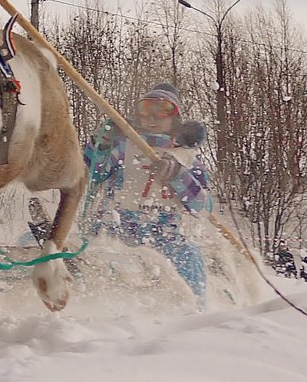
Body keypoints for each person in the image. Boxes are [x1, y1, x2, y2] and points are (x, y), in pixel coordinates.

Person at [84, 83, 212, 310]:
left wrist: (177, 175)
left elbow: (202, 205)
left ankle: (194, 311)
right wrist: (100, 144)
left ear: (174, 119)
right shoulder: (123, 148)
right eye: (146, 113)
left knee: (189, 256)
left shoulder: (186, 157)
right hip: (117, 227)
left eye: (161, 113)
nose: (152, 119)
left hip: (165, 233)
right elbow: (93, 173)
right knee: (97, 256)